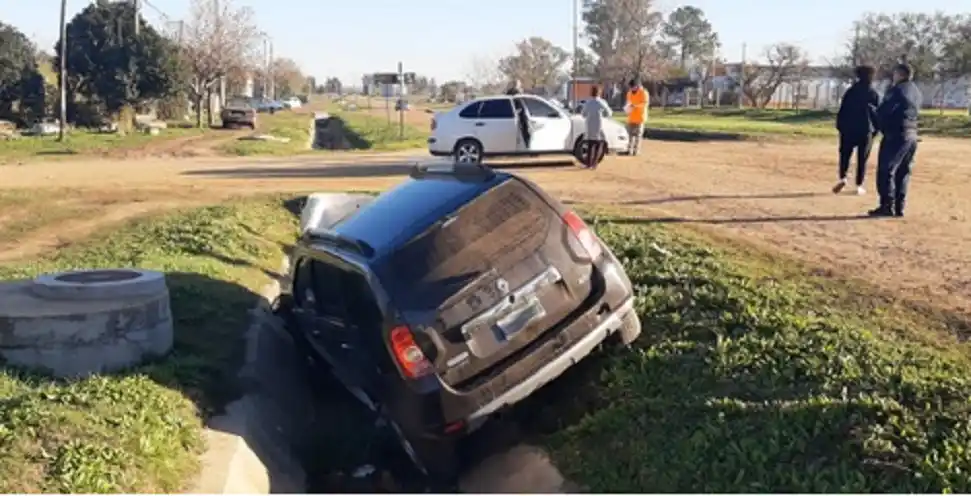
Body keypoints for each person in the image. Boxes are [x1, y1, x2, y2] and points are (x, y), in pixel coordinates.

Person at [869, 63, 921, 218]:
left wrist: (874, 115)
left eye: (895, 74)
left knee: (887, 170)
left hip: (896, 134)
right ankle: (899, 206)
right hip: (912, 134)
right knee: (903, 171)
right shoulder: (916, 91)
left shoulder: (896, 90)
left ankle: (887, 205)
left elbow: (884, 112)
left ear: (900, 74)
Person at [833, 65, 880, 195]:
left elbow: (842, 111)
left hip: (848, 129)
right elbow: (877, 113)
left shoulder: (850, 92)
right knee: (862, 158)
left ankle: (843, 177)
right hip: (866, 129)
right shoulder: (873, 93)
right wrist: (876, 130)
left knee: (845, 155)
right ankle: (859, 185)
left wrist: (840, 127)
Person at [580, 85, 612, 169]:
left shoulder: (588, 102)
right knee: (598, 144)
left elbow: (583, 114)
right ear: (599, 92)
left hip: (589, 125)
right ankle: (595, 164)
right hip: (599, 125)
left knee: (590, 145)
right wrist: (603, 115)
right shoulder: (602, 102)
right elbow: (609, 113)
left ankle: (588, 164)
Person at [624, 78, 649, 156]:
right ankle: (629, 150)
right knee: (629, 134)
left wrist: (635, 106)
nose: (631, 89)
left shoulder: (643, 93)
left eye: (633, 87)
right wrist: (627, 108)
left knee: (638, 135)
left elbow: (645, 104)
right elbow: (628, 102)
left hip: (640, 117)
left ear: (637, 86)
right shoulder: (629, 93)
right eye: (630, 87)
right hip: (631, 116)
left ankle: (636, 150)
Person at [506, 79, 530, 149]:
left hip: (513, 115)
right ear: (517, 84)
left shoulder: (509, 92)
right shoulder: (516, 92)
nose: (520, 85)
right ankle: (527, 147)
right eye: (519, 84)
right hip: (519, 115)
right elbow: (519, 104)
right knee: (524, 132)